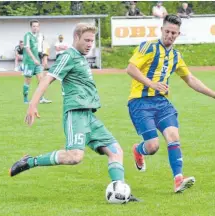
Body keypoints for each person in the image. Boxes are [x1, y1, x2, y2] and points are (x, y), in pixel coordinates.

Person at [9, 23, 140, 202]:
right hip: (75, 114)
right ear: (76, 37)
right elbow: (48, 78)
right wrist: (33, 104)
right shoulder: (68, 56)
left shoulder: (80, 57)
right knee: (74, 157)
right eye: (86, 40)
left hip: (89, 116)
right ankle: (30, 162)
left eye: (91, 41)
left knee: (115, 150)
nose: (89, 44)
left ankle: (121, 191)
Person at [126, 15, 215, 193]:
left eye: (174, 33)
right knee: (153, 146)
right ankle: (138, 150)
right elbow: (131, 68)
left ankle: (178, 179)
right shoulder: (148, 46)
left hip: (161, 102)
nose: (170, 35)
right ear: (161, 30)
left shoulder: (175, 56)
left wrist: (212, 94)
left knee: (173, 136)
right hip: (140, 102)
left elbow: (190, 78)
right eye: (167, 31)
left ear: (178, 34)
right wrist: (151, 84)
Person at [22, 20, 51, 104]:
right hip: (29, 62)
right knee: (28, 80)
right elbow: (27, 48)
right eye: (34, 26)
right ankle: (25, 99)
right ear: (31, 27)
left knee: (41, 80)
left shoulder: (40, 36)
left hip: (38, 62)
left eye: (37, 26)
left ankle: (41, 98)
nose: (35, 28)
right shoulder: (27, 35)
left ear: (39, 27)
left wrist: (44, 59)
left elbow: (42, 47)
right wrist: (33, 59)